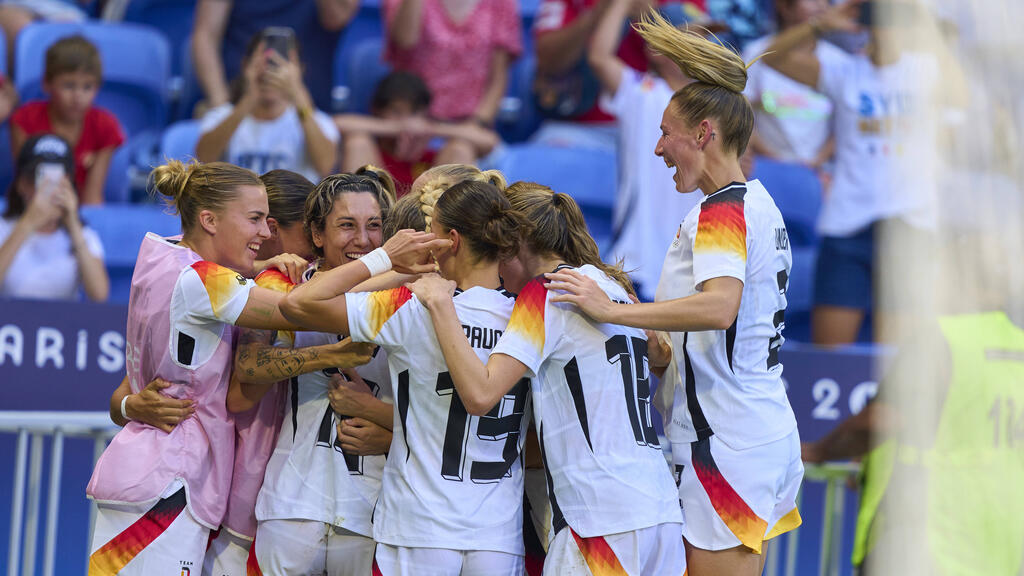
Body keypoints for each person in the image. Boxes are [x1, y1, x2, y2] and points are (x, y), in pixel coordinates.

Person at [85, 159, 444, 574]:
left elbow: (132, 384)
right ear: (209, 219)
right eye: (255, 219)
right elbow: (298, 308)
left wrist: (128, 406)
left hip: (159, 475)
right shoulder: (200, 281)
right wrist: (388, 262)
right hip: (169, 482)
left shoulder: (162, 260)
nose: (264, 233)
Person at [546, 10, 802, 575]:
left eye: (666, 133)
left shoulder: (722, 210)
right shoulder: (756, 202)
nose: (659, 148)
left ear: (704, 134)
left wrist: (613, 309)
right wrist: (659, 350)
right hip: (751, 431)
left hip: (726, 442)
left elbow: (720, 307)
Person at [408, 181, 686, 574]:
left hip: (601, 520)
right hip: (660, 511)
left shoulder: (546, 291)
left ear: (515, 243)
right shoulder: (610, 286)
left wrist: (440, 305)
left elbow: (481, 394)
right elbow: (660, 351)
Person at [281, 171, 533, 575]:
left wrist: (389, 261)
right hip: (497, 536)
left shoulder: (409, 307)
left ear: (449, 241)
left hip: (417, 530)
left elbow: (297, 304)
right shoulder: (531, 315)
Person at [237, 170, 398, 575]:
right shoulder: (284, 285)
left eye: (374, 226)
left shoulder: (409, 296)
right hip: (292, 504)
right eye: (347, 225)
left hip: (374, 512)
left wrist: (391, 432)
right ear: (317, 233)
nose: (363, 240)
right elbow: (249, 366)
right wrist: (333, 353)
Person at [761, 0, 948, 345]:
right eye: (880, 18)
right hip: (847, 224)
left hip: (910, 225)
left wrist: (924, 22)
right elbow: (768, 58)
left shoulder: (926, 68)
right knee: (831, 359)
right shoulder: (845, 70)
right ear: (864, 24)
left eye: (896, 18)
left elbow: (961, 96)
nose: (889, 27)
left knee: (900, 364)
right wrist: (821, 24)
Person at [589, 0, 703, 300]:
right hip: (636, 259)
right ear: (657, 48)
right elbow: (599, 57)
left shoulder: (720, 104)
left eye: (705, 36)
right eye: (689, 36)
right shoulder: (641, 91)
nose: (701, 44)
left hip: (696, 263)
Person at [530, 0, 709, 152]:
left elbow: (701, 48)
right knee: (547, 150)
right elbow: (549, 62)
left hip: (657, 125)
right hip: (585, 129)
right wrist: (607, 10)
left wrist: (652, 16)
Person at [195, 30, 340, 182]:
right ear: (246, 65)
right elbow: (204, 159)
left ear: (300, 70)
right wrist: (248, 101)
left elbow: (326, 166)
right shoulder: (221, 116)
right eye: (264, 60)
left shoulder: (318, 121)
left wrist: (298, 96)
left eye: (281, 62)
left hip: (294, 205)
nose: (271, 69)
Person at [10, 35, 125, 205]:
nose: (78, 96)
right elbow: (25, 185)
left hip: (77, 213)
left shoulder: (105, 126)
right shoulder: (24, 119)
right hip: (30, 208)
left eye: (87, 87)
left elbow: (93, 196)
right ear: (47, 84)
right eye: (69, 85)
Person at [336, 71, 499, 189]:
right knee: (357, 142)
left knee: (460, 148)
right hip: (379, 220)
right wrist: (397, 127)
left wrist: (431, 128)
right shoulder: (371, 151)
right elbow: (331, 125)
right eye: (396, 111)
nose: (409, 121)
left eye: (414, 113)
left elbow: (490, 142)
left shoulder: (434, 153)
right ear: (378, 109)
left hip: (431, 222)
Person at [191, 0, 357, 113]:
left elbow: (337, 17)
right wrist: (220, 104)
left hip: (306, 104)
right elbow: (205, 36)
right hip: (237, 98)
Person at [382, 0, 522, 132]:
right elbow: (405, 40)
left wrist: (477, 124)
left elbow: (498, 77)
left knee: (460, 150)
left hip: (468, 125)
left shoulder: (502, 3)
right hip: (408, 122)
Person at [0, 133, 108, 301]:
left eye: (55, 179)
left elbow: (99, 295)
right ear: (21, 184)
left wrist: (73, 224)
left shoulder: (84, 235)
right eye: (37, 177)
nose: (45, 187)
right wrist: (27, 224)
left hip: (63, 325)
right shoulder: (3, 227)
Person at [743, 0, 840, 170]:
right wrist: (775, 160)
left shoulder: (837, 60)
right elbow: (740, 114)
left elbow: (845, 122)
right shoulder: (755, 53)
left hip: (821, 174)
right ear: (784, 7)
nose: (820, 5)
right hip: (768, 168)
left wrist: (818, 162)